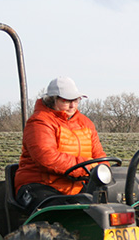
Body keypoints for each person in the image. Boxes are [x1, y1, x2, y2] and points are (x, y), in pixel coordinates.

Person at [14, 76, 105, 212]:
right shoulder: (40, 122)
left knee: (112, 204)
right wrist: (87, 166)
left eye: (75, 100)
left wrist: (102, 170)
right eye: (66, 100)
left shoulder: (85, 123)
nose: (72, 105)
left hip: (75, 186)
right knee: (63, 213)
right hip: (41, 185)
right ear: (53, 100)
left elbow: (99, 155)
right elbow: (47, 158)